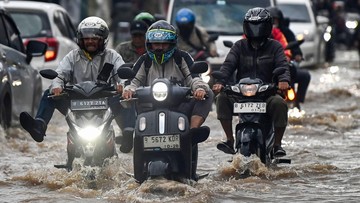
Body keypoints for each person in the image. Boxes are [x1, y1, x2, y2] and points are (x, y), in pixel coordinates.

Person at [19, 16, 134, 153]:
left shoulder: (112, 56)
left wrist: (123, 86)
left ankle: (128, 134)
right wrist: (57, 86)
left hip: (106, 101)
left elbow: (121, 74)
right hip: (76, 101)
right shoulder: (72, 56)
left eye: (94, 38)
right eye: (86, 38)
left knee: (128, 97)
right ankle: (39, 126)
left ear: (102, 39)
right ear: (81, 39)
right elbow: (60, 74)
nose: (90, 41)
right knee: (48, 93)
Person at [212, 7, 290, 156]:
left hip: (266, 94)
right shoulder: (239, 46)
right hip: (241, 94)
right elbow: (228, 65)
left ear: (268, 26)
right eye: (252, 25)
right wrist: (220, 82)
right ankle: (229, 139)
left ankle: (277, 144)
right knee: (221, 98)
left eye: (259, 25)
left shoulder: (275, 46)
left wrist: (283, 80)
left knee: (280, 104)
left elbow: (283, 66)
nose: (256, 29)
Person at [122, 20, 214, 141]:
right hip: (149, 106)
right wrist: (128, 90)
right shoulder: (145, 60)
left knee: (209, 93)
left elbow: (194, 78)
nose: (159, 48)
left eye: (164, 44)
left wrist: (199, 89)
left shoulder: (182, 57)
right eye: (156, 44)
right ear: (149, 44)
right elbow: (134, 81)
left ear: (172, 44)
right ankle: (133, 134)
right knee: (123, 99)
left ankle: (192, 132)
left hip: (180, 105)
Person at [268, 6, 311, 110]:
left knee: (304, 75)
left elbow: (291, 47)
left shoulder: (283, 33)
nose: (273, 23)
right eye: (271, 20)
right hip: (265, 67)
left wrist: (296, 55)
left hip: (283, 65)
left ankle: (297, 101)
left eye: (275, 20)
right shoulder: (257, 33)